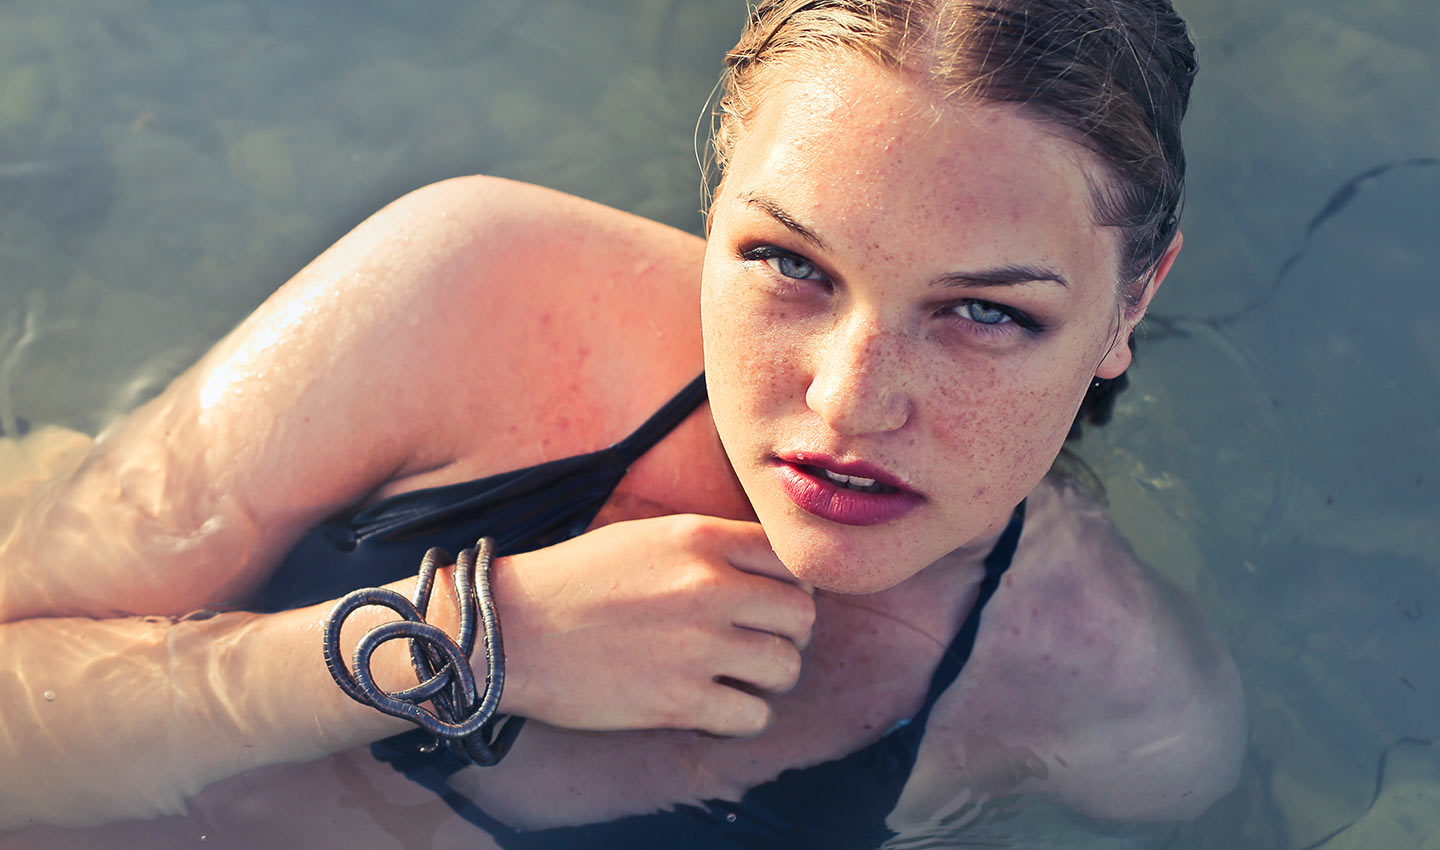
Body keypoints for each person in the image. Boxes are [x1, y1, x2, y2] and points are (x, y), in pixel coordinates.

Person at [0, 0, 1245, 846]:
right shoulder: (476, 294)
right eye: (790, 263)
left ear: (1133, 302)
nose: (848, 402)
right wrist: (474, 643)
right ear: (715, 205)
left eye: (984, 312)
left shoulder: (1118, 714)